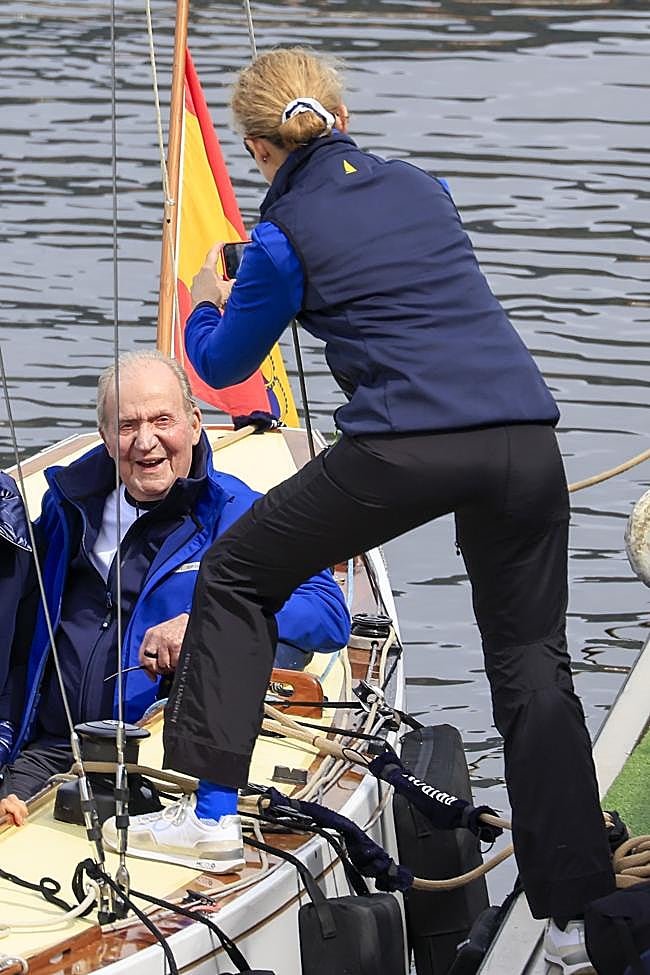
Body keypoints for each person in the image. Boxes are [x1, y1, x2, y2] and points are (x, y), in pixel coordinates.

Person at [126, 48, 614, 968]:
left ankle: (212, 818)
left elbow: (224, 368)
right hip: (524, 440)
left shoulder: (279, 234)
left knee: (236, 572)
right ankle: (581, 911)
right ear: (341, 115)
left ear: (259, 148)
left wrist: (204, 304)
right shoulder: (424, 187)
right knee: (531, 666)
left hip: (406, 446)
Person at [0, 350, 350, 853]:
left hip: (163, 767)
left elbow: (330, 615)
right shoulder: (66, 507)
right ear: (103, 437)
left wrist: (212, 619)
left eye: (162, 420)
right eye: (126, 426)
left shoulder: (236, 513)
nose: (146, 442)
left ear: (193, 423)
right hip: (48, 749)